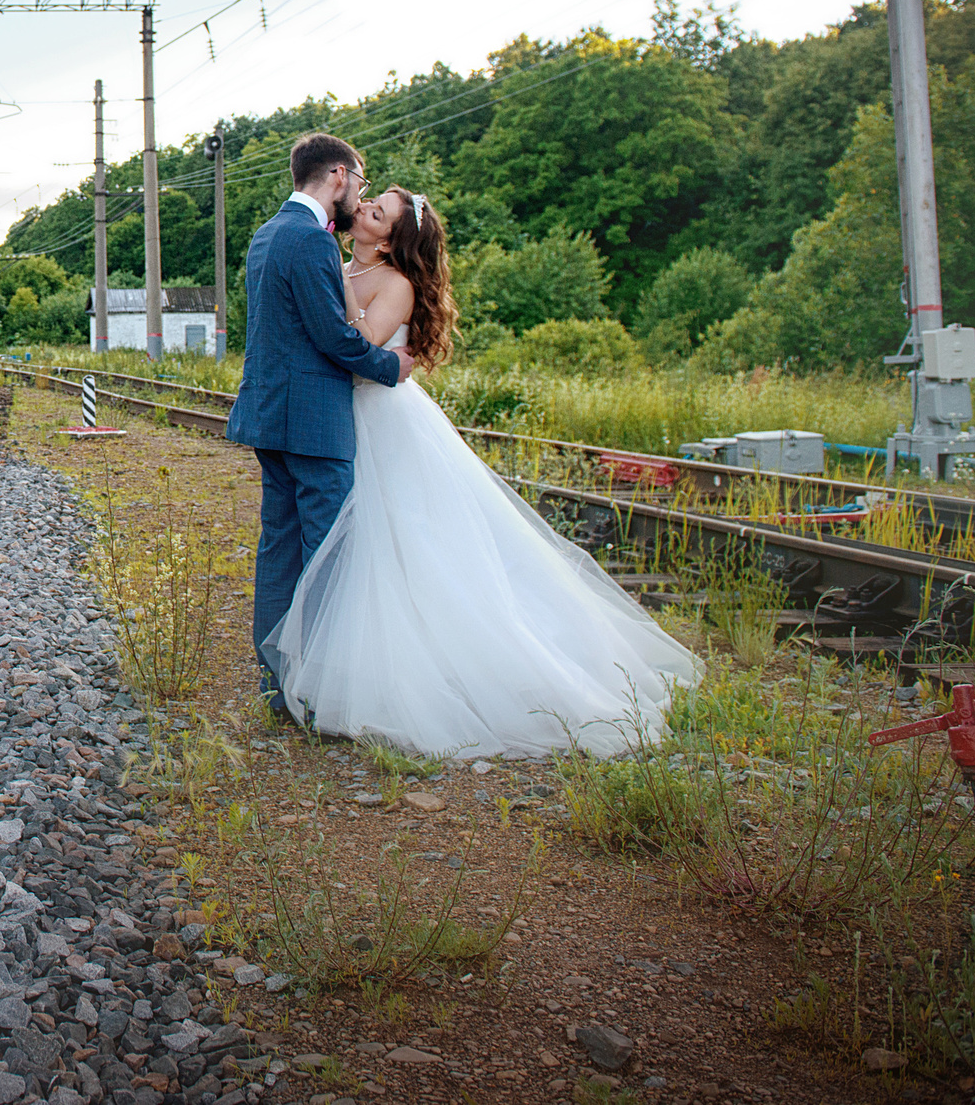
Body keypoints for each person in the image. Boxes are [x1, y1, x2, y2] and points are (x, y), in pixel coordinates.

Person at [260, 186, 701, 757]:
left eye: (377, 211)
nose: (363, 211)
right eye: (369, 204)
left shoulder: (395, 285)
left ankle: (380, 680)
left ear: (392, 239)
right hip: (339, 420)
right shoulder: (335, 263)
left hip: (380, 422)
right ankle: (324, 678)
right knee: (356, 550)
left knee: (397, 549)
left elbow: (357, 346)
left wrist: (326, 303)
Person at [225, 132, 412, 718]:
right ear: (338, 173)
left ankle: (280, 684)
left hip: (272, 420)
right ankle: (320, 694)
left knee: (279, 549)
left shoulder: (268, 234)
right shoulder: (309, 241)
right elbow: (332, 338)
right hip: (314, 424)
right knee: (327, 555)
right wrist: (390, 367)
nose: (359, 193)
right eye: (359, 180)